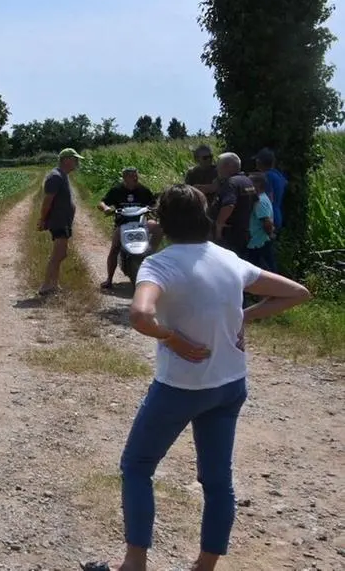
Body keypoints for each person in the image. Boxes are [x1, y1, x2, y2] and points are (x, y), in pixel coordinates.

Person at [115, 184, 311, 571]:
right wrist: (244, 318)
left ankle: (135, 563)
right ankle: (205, 565)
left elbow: (140, 315)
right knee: (217, 479)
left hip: (180, 388)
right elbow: (297, 292)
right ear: (204, 216)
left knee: (137, 466)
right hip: (229, 385)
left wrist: (172, 337)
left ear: (162, 223)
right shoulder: (229, 259)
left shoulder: (159, 265)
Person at [97, 167, 163, 289]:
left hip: (142, 223)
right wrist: (106, 208)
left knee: (159, 228)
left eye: (136, 175)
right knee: (115, 247)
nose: (135, 178)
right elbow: (102, 202)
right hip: (122, 224)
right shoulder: (116, 190)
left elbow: (153, 203)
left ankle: (151, 252)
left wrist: (156, 208)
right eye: (131, 175)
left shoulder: (143, 190)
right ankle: (109, 279)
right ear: (124, 177)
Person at [36, 147, 84, 296]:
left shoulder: (63, 175)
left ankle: (54, 285)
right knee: (58, 254)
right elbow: (47, 201)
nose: (77, 163)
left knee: (61, 254)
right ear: (66, 160)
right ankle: (46, 286)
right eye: (75, 159)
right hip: (59, 221)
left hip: (64, 220)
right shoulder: (55, 176)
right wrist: (42, 220)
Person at [211, 152, 257, 259]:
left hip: (230, 235)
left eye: (218, 165)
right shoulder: (247, 181)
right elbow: (255, 202)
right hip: (243, 231)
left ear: (227, 166)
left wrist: (219, 226)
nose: (217, 169)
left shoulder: (231, 183)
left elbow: (229, 205)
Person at [246, 173, 276, 272]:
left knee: (262, 269)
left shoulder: (260, 201)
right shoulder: (261, 197)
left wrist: (270, 234)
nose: (247, 185)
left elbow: (266, 222)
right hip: (258, 241)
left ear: (257, 184)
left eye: (249, 182)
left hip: (258, 242)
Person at [253, 147, 287, 232]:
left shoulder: (266, 177)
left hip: (267, 217)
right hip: (277, 214)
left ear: (259, 162)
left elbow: (267, 197)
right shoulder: (278, 175)